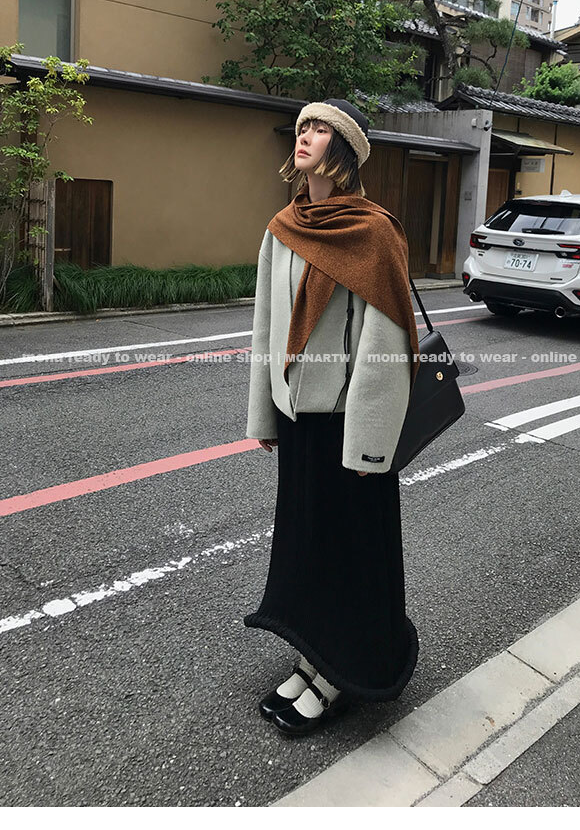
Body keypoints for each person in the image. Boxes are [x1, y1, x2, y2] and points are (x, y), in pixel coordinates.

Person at [243, 97, 421, 737]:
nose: (305, 136)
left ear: (342, 150)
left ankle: (344, 673)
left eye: (319, 129)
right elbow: (266, 327)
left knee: (352, 553)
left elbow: (386, 343)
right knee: (307, 547)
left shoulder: (374, 233)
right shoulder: (283, 227)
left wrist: (371, 445)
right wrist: (265, 414)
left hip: (351, 428)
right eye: (302, 127)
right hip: (300, 424)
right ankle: (312, 656)